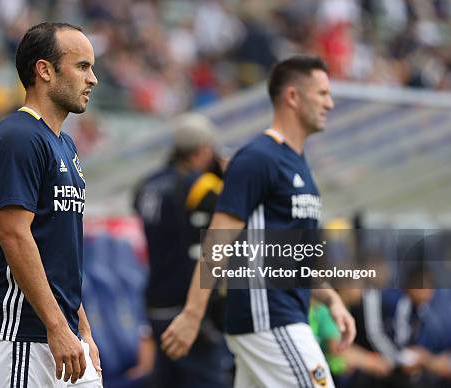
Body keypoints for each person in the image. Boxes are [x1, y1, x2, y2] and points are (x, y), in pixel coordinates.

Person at [160, 55, 356, 388]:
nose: (330, 103)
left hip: (278, 316)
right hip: (269, 318)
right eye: (322, 93)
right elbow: (218, 240)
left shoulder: (298, 164)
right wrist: (193, 314)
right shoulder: (258, 158)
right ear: (293, 97)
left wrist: (331, 298)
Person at [0, 22, 102, 388]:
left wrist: (83, 330)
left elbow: (59, 254)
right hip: (21, 333)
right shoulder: (20, 137)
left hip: (60, 332)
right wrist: (57, 327)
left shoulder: (64, 144)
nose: (92, 79)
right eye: (82, 67)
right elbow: (13, 236)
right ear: (44, 70)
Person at [133, 113, 230, 388]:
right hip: (189, 305)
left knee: (166, 380)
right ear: (202, 151)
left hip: (156, 300)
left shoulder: (146, 186)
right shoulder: (198, 185)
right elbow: (229, 214)